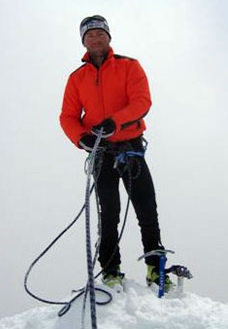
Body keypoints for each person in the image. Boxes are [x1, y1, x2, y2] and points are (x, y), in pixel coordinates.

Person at [60, 15, 174, 291]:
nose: (95, 38)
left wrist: (115, 120)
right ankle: (111, 269)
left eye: (100, 34)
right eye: (90, 35)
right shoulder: (77, 78)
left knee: (146, 207)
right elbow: (68, 116)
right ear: (83, 42)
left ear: (109, 37)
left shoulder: (129, 66)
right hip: (101, 152)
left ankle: (155, 268)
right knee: (109, 212)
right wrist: (82, 138)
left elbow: (142, 101)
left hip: (130, 147)